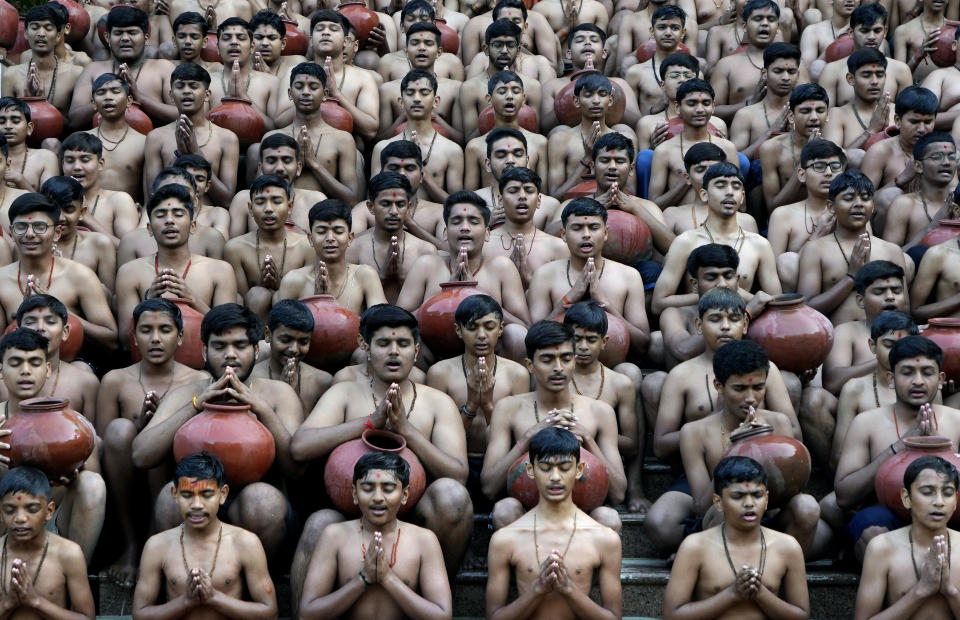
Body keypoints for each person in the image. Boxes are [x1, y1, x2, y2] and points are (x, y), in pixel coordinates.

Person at [289, 304, 472, 598]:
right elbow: (299, 446)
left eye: (403, 343)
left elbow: (458, 474)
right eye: (384, 343)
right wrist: (370, 423)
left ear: (416, 348)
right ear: (365, 346)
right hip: (350, 513)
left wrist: (406, 431)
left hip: (411, 514)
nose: (394, 352)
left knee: (452, 497)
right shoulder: (344, 393)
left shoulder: (437, 403)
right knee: (318, 524)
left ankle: (436, 597)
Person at [132, 303, 303, 557]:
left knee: (261, 499)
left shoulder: (278, 394)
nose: (230, 355)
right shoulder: (187, 394)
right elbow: (141, 455)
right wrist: (195, 405)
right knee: (171, 499)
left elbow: (295, 469)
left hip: (258, 509)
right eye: (219, 347)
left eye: (240, 346)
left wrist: (261, 409)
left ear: (256, 350)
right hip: (198, 502)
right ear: (203, 350)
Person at [645, 288, 798, 549]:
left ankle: (778, 559)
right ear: (699, 324)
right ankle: (700, 554)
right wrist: (727, 437)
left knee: (805, 509)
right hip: (705, 468)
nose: (726, 327)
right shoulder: (682, 376)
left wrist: (761, 441)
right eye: (716, 319)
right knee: (666, 521)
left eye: (734, 319)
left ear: (746, 322)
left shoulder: (766, 370)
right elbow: (661, 445)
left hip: (766, 473)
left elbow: (792, 438)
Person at [98, 298, 210, 586]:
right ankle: (131, 543)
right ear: (134, 336)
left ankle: (153, 540)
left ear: (181, 336)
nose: (156, 338)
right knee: (120, 431)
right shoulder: (115, 380)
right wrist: (140, 428)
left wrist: (160, 427)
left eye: (165, 329)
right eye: (146, 330)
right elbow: (104, 443)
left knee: (159, 442)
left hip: (173, 478)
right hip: (126, 480)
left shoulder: (200, 380)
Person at [481, 320, 626, 529]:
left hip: (582, 512)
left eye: (565, 359)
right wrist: (529, 437)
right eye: (547, 360)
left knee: (609, 517)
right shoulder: (508, 409)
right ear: (530, 365)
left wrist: (587, 440)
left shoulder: (600, 412)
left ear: (574, 362)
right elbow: (489, 488)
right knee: (505, 510)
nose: (558, 368)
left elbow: (619, 493)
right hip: (528, 513)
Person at [836, 336, 960, 561]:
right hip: (888, 518)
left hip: (948, 516)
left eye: (927, 372)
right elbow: (844, 496)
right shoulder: (866, 422)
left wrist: (939, 452)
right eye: (907, 372)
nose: (918, 381)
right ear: (891, 379)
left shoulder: (957, 421)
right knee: (871, 528)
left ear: (941, 379)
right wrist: (901, 445)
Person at [485, 427, 623, 620]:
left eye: (565, 468)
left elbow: (614, 617)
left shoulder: (604, 538)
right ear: (530, 470)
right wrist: (538, 590)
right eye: (545, 468)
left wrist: (568, 590)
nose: (555, 477)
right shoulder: (505, 539)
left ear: (579, 469)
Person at [298, 452, 453, 619]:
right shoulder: (334, 536)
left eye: (388, 489)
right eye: (367, 488)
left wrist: (388, 578)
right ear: (355, 494)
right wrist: (363, 578)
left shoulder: (424, 540)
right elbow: (307, 614)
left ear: (405, 495)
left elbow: (442, 616)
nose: (378, 498)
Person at [0, 328, 106, 563]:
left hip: (55, 523)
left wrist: (75, 474)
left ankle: (75, 577)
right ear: (1, 369)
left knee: (92, 484)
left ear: (47, 369)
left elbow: (92, 483)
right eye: (15, 363)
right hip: (4, 524)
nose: (26, 371)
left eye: (35, 362)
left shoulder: (71, 425)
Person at [133, 451, 278, 619]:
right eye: (187, 495)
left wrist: (214, 598)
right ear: (175, 495)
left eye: (206, 495)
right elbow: (139, 614)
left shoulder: (245, 543)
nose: (196, 505)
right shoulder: (157, 546)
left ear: (222, 495)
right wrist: (186, 601)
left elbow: (269, 612)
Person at [663, 455, 810, 619]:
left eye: (757, 495)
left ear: (767, 499)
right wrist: (732, 594)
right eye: (738, 496)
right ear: (718, 502)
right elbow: (672, 615)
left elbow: (802, 615)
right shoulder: (695, 546)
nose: (749, 503)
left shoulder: (788, 547)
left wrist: (761, 594)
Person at [425, 294, 530, 504]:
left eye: (489, 327)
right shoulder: (440, 373)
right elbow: (437, 438)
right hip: (455, 463)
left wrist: (489, 405)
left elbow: (516, 436)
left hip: (502, 464)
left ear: (500, 329)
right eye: (472, 328)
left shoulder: (516, 375)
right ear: (458, 331)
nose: (481, 335)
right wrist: (472, 405)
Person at [398, 191, 531, 355]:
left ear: (487, 233)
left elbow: (524, 327)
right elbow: (398, 322)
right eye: (457, 221)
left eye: (473, 222)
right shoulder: (426, 265)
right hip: (435, 356)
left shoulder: (501, 267)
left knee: (517, 335)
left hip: (490, 355)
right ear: (445, 233)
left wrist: (474, 294)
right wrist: (447, 296)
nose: (465, 228)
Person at [115, 184, 238, 352]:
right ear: (149, 229)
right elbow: (124, 341)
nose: (169, 220)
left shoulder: (220, 271)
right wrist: (148, 302)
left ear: (193, 226)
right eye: (161, 215)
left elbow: (228, 334)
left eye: (178, 214)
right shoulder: (130, 272)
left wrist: (192, 299)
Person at [527, 198, 652, 356]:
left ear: (605, 233)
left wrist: (604, 303)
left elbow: (642, 344)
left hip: (612, 369)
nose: (586, 235)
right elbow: (533, 340)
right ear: (563, 234)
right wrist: (568, 299)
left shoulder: (629, 276)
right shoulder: (545, 275)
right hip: (559, 365)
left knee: (630, 371)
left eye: (593, 228)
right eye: (577, 228)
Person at [653, 163, 782, 314]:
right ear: (704, 195)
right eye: (720, 185)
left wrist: (741, 296)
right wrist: (710, 294)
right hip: (699, 325)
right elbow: (658, 304)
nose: (729, 192)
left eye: (736, 186)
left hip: (743, 321)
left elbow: (777, 306)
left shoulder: (759, 244)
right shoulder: (686, 242)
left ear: (742, 197)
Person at [0, 193, 118, 352]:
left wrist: (60, 312)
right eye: (21, 227)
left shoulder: (80, 275)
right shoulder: (2, 280)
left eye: (39, 226)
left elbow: (111, 340)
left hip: (72, 365)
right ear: (12, 232)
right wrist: (22, 319)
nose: (29, 234)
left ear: (57, 233)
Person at [563, 301, 649, 513]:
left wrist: (591, 433)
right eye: (576, 339)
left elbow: (631, 444)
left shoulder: (619, 384)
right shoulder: (555, 378)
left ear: (604, 342)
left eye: (591, 340)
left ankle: (636, 487)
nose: (583, 346)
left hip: (604, 460)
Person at [796, 171, 910, 326]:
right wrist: (851, 277)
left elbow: (905, 308)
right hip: (835, 339)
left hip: (883, 337)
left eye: (865, 198)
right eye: (849, 198)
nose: (859, 204)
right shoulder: (815, 250)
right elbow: (806, 308)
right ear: (831, 206)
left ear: (873, 205)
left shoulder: (892, 250)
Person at [855, 456, 960, 619]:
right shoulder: (882, 548)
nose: (939, 502)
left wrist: (950, 591)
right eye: (927, 492)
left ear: (955, 501)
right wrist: (921, 591)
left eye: (947, 493)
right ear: (906, 498)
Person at [0, 466, 96, 620]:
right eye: (10, 510)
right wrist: (7, 603)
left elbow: (87, 618)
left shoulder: (69, 553)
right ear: (0, 513)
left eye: (32, 509)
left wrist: (35, 601)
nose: (20, 518)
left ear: (49, 511)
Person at [259, 61, 360, 204]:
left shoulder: (343, 139)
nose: (305, 92)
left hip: (323, 220)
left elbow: (351, 199)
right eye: (299, 87)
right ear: (290, 93)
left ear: (325, 94)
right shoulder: (272, 137)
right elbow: (259, 192)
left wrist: (314, 164)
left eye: (313, 87)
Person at [142, 63, 239, 207]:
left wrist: (196, 153)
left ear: (207, 95)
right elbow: (152, 196)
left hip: (209, 219)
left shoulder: (227, 138)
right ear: (171, 95)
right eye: (180, 86)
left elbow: (227, 201)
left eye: (193, 86)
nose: (186, 91)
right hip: (170, 218)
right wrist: (179, 157)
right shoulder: (156, 138)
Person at [833, 311, 919, 470]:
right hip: (867, 475)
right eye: (889, 345)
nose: (897, 352)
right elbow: (838, 455)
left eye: (905, 345)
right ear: (872, 346)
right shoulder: (855, 389)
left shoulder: (925, 387)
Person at [68, 6, 178, 127]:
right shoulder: (92, 70)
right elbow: (74, 120)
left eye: (132, 32)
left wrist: (140, 98)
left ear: (146, 38)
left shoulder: (163, 68)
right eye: (118, 33)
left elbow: (180, 115)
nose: (125, 38)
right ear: (107, 38)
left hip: (152, 143)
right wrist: (105, 100)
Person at [223, 174, 313, 321]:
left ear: (290, 207)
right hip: (253, 319)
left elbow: (308, 297)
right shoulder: (235, 249)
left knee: (281, 298)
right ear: (250, 209)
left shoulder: (307, 246)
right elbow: (243, 300)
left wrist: (281, 287)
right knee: (257, 295)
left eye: (277, 202)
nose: (269, 209)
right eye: (260, 202)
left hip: (295, 323)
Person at [276, 199, 387, 316]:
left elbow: (379, 321)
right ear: (310, 239)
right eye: (321, 231)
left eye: (338, 231)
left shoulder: (364, 276)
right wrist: (318, 302)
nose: (330, 238)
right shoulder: (293, 281)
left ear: (350, 238)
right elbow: (283, 328)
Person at [1, 295, 100, 424]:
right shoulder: (2, 380)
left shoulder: (86, 383)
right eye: (31, 322)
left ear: (65, 332)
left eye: (50, 321)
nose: (40, 328)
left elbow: (94, 440)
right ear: (18, 331)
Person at [345, 172, 438, 303]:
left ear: (408, 208)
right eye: (386, 204)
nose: (394, 211)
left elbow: (428, 309)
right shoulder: (353, 249)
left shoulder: (425, 251)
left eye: (400, 204)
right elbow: (348, 303)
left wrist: (401, 278)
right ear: (371, 207)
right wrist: (382, 277)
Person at [767, 139, 846, 292]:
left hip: (842, 281)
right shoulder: (783, 215)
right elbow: (774, 271)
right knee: (786, 261)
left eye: (835, 167)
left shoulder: (854, 209)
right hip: (801, 294)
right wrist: (817, 235)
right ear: (802, 175)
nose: (829, 173)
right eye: (819, 167)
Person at [372, 69, 464, 200]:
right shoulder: (382, 148)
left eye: (424, 93)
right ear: (401, 102)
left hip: (432, 218)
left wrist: (422, 174)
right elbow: (373, 199)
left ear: (436, 101)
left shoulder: (452, 150)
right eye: (410, 93)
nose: (416, 99)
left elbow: (456, 206)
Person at [648, 79, 740, 208]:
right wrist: (687, 180)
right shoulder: (664, 151)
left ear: (713, 107)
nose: (700, 109)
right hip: (680, 224)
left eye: (706, 103)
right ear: (678, 107)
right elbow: (654, 205)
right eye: (692, 103)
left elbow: (741, 205)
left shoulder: (727, 147)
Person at [822, 260, 909, 395]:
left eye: (896, 291)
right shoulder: (847, 332)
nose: (890, 297)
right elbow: (831, 383)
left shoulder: (917, 334)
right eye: (879, 292)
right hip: (858, 408)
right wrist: (887, 359)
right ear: (860, 301)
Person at [547, 72, 638, 199]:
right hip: (575, 211)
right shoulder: (560, 140)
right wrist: (587, 158)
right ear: (576, 101)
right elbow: (555, 196)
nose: (596, 101)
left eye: (602, 94)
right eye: (588, 95)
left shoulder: (626, 138)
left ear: (610, 100)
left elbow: (631, 192)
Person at [860, 86, 938, 233]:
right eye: (914, 122)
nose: (921, 129)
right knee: (891, 196)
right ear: (897, 120)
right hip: (887, 228)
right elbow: (862, 200)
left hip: (928, 218)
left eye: (928, 122)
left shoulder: (940, 151)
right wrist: (902, 178)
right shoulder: (880, 151)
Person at [757, 82, 843, 212]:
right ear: (791, 116)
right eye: (805, 111)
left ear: (827, 116)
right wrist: (806, 157)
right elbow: (772, 207)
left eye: (820, 111)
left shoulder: (837, 154)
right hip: (783, 219)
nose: (814, 117)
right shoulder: (771, 149)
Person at [539, 23, 640, 132]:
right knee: (559, 130)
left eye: (594, 40)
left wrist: (607, 95)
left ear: (604, 53)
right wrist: (579, 84)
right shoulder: (553, 86)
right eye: (579, 40)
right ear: (568, 54)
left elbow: (636, 122)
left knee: (623, 129)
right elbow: (545, 126)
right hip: (572, 141)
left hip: (609, 142)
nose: (587, 43)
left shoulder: (619, 84)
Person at [118, 167, 228, 262]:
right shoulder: (131, 242)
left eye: (182, 192)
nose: (174, 197)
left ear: (195, 201)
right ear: (153, 198)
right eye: (167, 191)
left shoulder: (212, 239)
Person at [484, 167, 570, 288]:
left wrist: (529, 280)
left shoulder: (558, 247)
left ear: (539, 200)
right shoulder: (484, 243)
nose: (522, 196)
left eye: (529, 191)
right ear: (501, 200)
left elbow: (562, 293)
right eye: (513, 191)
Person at [378, 22, 463, 144]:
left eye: (428, 43)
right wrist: (403, 116)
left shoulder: (455, 88)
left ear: (439, 52)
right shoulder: (388, 90)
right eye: (415, 43)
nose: (421, 48)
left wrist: (435, 117)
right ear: (406, 52)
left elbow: (461, 140)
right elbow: (380, 140)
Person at [459, 20, 544, 140]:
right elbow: (470, 139)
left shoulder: (532, 86)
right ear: (486, 49)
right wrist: (498, 115)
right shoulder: (470, 88)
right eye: (498, 45)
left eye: (510, 45)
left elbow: (534, 133)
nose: (504, 51)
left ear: (519, 50)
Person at [230, 133, 328, 237]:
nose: (279, 168)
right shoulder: (243, 200)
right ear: (261, 168)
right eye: (271, 161)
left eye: (286, 161)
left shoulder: (316, 201)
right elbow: (231, 248)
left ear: (299, 168)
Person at [463, 71, 548, 188]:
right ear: (489, 99)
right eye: (502, 92)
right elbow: (471, 198)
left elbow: (542, 194)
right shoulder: (475, 146)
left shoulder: (539, 143)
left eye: (516, 91)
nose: (509, 96)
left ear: (523, 98)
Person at [818, 4, 912, 110]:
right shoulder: (832, 71)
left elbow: (906, 116)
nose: (871, 37)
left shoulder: (901, 70)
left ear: (885, 32)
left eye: (877, 31)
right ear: (850, 33)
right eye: (864, 31)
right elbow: (825, 117)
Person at [357, 140, 445, 249]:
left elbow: (451, 255)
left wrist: (410, 224)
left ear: (421, 176)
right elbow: (347, 246)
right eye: (394, 168)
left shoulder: (439, 212)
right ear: (382, 173)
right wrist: (380, 228)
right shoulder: (364, 210)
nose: (402, 173)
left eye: (409, 168)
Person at [306, 11, 380, 141]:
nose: (326, 32)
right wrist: (309, 97)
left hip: (346, 149)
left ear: (346, 41)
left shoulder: (363, 78)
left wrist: (336, 94)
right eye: (320, 29)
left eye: (333, 29)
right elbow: (278, 123)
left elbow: (371, 130)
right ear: (311, 41)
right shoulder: (295, 73)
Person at [249, 298, 331, 413]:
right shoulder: (250, 377)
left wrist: (293, 393)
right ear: (268, 334)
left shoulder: (321, 381)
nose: (294, 349)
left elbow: (313, 429)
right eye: (285, 340)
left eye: (303, 342)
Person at [206, 18, 287, 132]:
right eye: (226, 38)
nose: (234, 42)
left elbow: (274, 129)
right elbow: (200, 126)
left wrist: (244, 97)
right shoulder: (207, 80)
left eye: (241, 38)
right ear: (218, 48)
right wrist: (227, 102)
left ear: (252, 47)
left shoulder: (271, 82)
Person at [635, 52, 726, 153]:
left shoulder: (717, 124)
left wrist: (722, 149)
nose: (682, 80)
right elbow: (644, 164)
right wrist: (653, 148)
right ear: (662, 84)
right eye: (674, 76)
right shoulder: (647, 124)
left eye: (688, 75)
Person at [1, 6, 83, 117]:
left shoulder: (75, 74)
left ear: (58, 35)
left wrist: (41, 103)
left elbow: (76, 124)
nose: (41, 33)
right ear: (26, 33)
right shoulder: (11, 75)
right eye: (35, 27)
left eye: (48, 28)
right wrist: (28, 101)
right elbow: (6, 121)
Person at [39, 176, 116, 293]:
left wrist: (86, 283)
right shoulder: (31, 244)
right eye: (53, 209)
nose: (60, 217)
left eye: (68, 210)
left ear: (82, 212)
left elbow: (112, 301)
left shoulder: (100, 244)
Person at [662, 143, 759, 235]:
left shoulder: (746, 221)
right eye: (700, 170)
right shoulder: (673, 216)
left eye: (715, 169)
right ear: (688, 178)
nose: (708, 175)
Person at [59, 132, 140, 243]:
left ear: (100, 163)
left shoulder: (119, 201)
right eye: (70, 161)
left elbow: (129, 249)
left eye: (85, 160)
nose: (76, 167)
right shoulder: (52, 200)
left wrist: (87, 219)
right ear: (63, 164)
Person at [883, 133, 959, 248]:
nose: (946, 162)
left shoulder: (958, 201)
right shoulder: (904, 205)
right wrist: (932, 227)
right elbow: (889, 260)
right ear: (919, 166)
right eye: (937, 157)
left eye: (952, 157)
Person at [474, 128, 560, 227]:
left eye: (517, 154)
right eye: (501, 155)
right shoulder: (473, 203)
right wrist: (486, 225)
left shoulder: (549, 206)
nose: (510, 160)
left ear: (528, 161)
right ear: (488, 164)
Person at [81, 73, 148, 201]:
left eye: (115, 91)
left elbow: (150, 196)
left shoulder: (143, 142)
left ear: (129, 101)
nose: (108, 97)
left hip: (129, 214)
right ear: (93, 103)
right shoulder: (81, 140)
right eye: (101, 93)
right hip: (87, 213)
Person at [729, 43, 800, 160]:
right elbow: (737, 161)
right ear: (764, 73)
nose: (786, 77)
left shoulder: (806, 111)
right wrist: (770, 133)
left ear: (798, 75)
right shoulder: (746, 115)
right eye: (778, 71)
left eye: (791, 72)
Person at [623, 6, 690, 114]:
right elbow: (629, 116)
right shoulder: (636, 72)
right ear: (652, 31)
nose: (668, 33)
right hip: (648, 129)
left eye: (675, 28)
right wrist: (656, 110)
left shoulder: (694, 73)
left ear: (683, 33)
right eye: (662, 27)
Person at [828, 49, 896, 155]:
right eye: (866, 75)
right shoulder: (837, 115)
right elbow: (831, 159)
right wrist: (871, 131)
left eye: (879, 75)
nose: (874, 81)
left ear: (885, 77)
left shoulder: (897, 111)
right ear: (851, 79)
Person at [0, 97, 58, 191]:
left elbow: (50, 204)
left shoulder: (46, 158)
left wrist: (20, 181)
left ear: (29, 128)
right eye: (1, 122)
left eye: (15, 121)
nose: (8, 126)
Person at [172, 154, 232, 240]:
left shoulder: (217, 213)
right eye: (187, 178)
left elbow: (219, 246)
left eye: (199, 179)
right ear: (175, 181)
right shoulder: (157, 210)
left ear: (207, 186)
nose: (193, 184)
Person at [893, 0, 950, 83]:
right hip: (914, 91)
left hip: (946, 90)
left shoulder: (955, 31)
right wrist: (917, 56)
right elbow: (898, 77)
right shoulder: (903, 31)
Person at [249, 9, 308, 83]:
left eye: (272, 38)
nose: (265, 43)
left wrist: (268, 76)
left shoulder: (296, 63)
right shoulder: (241, 65)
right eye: (259, 37)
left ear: (283, 43)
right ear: (250, 42)